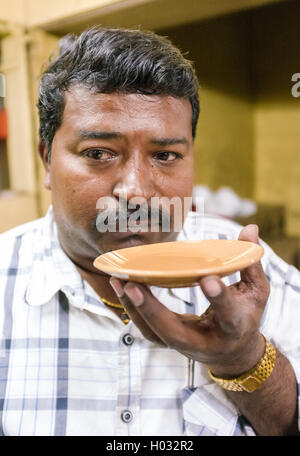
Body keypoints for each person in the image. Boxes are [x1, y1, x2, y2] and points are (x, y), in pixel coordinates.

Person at [0, 26, 299, 437]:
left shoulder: (250, 273)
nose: (136, 192)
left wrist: (244, 358)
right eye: (99, 153)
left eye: (165, 155)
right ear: (47, 159)